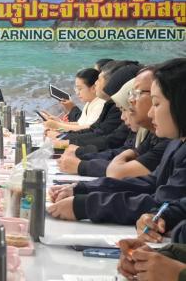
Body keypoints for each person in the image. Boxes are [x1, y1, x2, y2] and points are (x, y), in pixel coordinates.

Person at [47, 58, 186, 225]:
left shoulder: (169, 141)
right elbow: (150, 183)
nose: (150, 113)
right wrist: (82, 189)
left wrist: (87, 204)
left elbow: (161, 202)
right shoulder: (176, 143)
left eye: (156, 103)